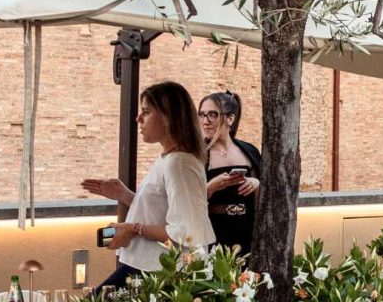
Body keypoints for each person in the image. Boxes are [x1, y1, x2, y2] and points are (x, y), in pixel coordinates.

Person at [80, 80, 213, 287]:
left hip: (159, 276)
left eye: (146, 111)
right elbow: (163, 212)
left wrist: (132, 228)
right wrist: (125, 195)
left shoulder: (179, 164)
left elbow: (184, 234)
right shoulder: (170, 160)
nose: (138, 118)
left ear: (168, 117)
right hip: (147, 269)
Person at [197, 89, 262, 257]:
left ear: (230, 118)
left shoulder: (249, 151)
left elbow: (269, 198)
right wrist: (210, 188)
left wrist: (257, 184)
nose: (205, 121)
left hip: (248, 231)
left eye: (212, 114)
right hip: (213, 232)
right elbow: (184, 202)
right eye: (202, 115)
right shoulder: (198, 154)